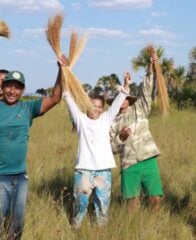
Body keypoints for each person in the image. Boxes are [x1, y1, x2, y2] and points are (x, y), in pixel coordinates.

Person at [0, 57, 66, 239]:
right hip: (0, 178)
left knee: (17, 225)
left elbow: (55, 98)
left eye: (17, 87)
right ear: (3, 87)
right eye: (9, 86)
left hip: (20, 177)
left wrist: (61, 70)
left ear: (23, 90)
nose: (12, 91)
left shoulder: (28, 108)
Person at [64, 72, 130, 229]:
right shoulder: (81, 120)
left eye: (100, 106)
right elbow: (68, 98)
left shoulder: (106, 120)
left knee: (102, 205)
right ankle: (76, 229)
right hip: (84, 170)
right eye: (93, 105)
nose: (96, 109)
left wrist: (126, 86)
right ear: (87, 106)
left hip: (103, 171)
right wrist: (65, 73)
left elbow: (117, 104)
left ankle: (100, 232)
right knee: (80, 204)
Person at [110, 54, 163, 212]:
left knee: (155, 200)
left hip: (148, 159)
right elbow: (110, 149)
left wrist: (150, 69)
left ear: (129, 99)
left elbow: (147, 91)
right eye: (119, 98)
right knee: (131, 205)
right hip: (128, 163)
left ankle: (153, 229)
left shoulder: (140, 108)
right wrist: (120, 138)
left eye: (125, 98)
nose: (123, 101)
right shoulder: (111, 123)